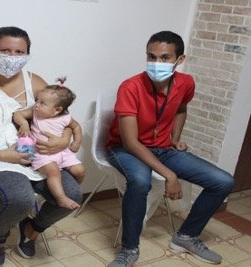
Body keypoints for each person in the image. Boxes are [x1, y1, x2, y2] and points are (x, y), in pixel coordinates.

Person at [0, 26, 82, 267]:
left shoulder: (34, 82)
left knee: (72, 193)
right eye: (5, 51)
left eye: (19, 52)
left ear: (27, 54)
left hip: (28, 152)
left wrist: (64, 140)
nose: (12, 57)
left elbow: (61, 116)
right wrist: (3, 155)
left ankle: (32, 229)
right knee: (19, 197)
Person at [105, 30, 234, 267]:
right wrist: (169, 174)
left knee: (223, 182)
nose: (156, 63)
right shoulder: (130, 86)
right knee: (141, 182)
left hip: (163, 148)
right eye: (151, 56)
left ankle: (186, 237)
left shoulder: (186, 83)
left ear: (179, 60)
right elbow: (131, 142)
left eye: (164, 58)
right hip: (125, 148)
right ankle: (129, 250)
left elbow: (181, 109)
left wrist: (175, 137)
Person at [13, 78, 85, 210]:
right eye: (36, 101)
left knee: (80, 171)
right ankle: (60, 197)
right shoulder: (35, 114)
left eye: (42, 103)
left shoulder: (65, 118)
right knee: (53, 171)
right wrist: (24, 123)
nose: (36, 105)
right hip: (42, 153)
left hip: (63, 151)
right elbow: (17, 114)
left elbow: (76, 127)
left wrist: (77, 141)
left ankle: (73, 188)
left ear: (57, 110)